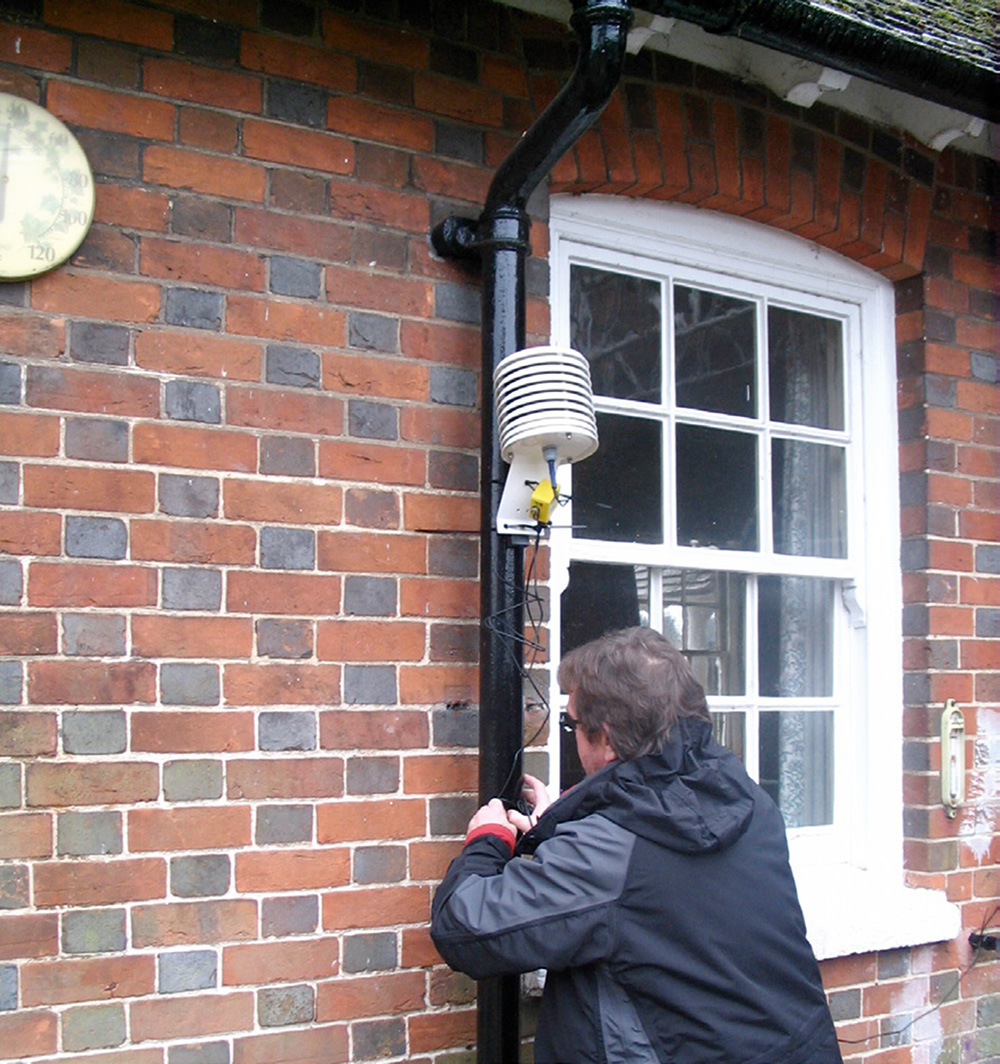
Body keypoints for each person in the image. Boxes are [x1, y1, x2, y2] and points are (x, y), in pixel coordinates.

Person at [430, 626, 842, 1064]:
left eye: (572, 724)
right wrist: (565, 824)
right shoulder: (747, 802)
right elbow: (656, 882)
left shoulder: (607, 853)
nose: (571, 734)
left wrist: (487, 840)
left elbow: (464, 927)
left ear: (606, 738)